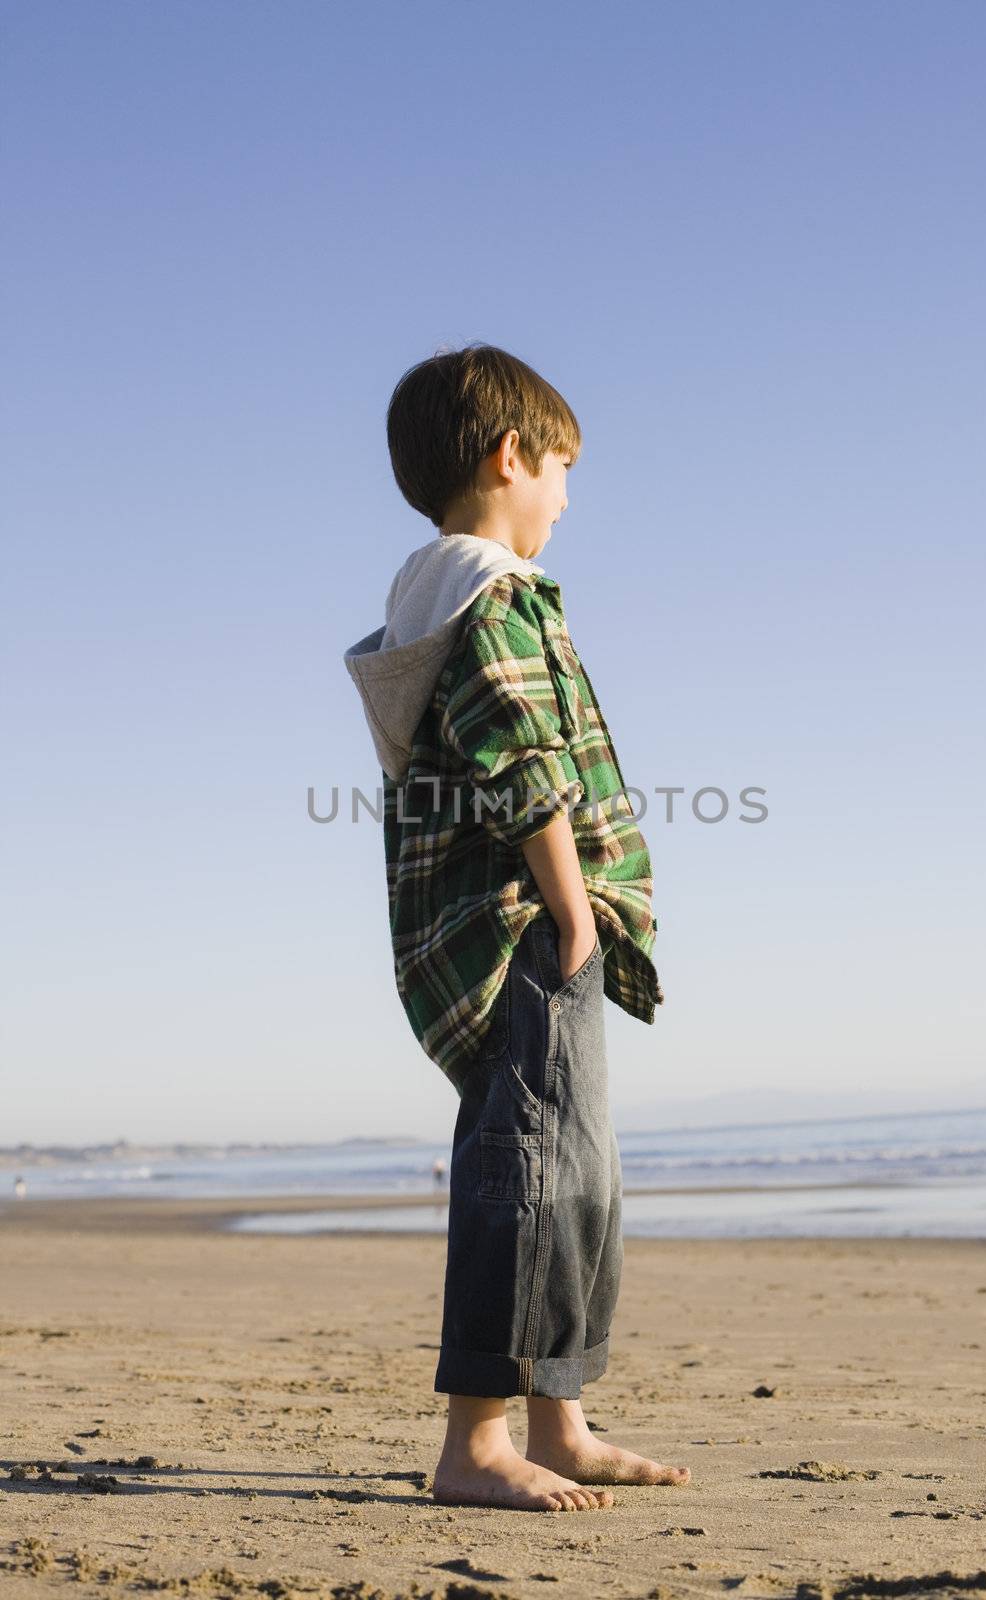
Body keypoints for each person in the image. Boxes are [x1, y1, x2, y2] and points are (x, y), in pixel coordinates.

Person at [343, 343, 688, 1512]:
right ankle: (475, 1440)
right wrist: (569, 901)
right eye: (559, 470)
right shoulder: (489, 594)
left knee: (572, 1175)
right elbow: (517, 750)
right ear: (507, 456)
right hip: (520, 929)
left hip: (523, 929)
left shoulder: (440, 594)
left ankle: (559, 1417)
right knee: (525, 1176)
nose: (567, 498)